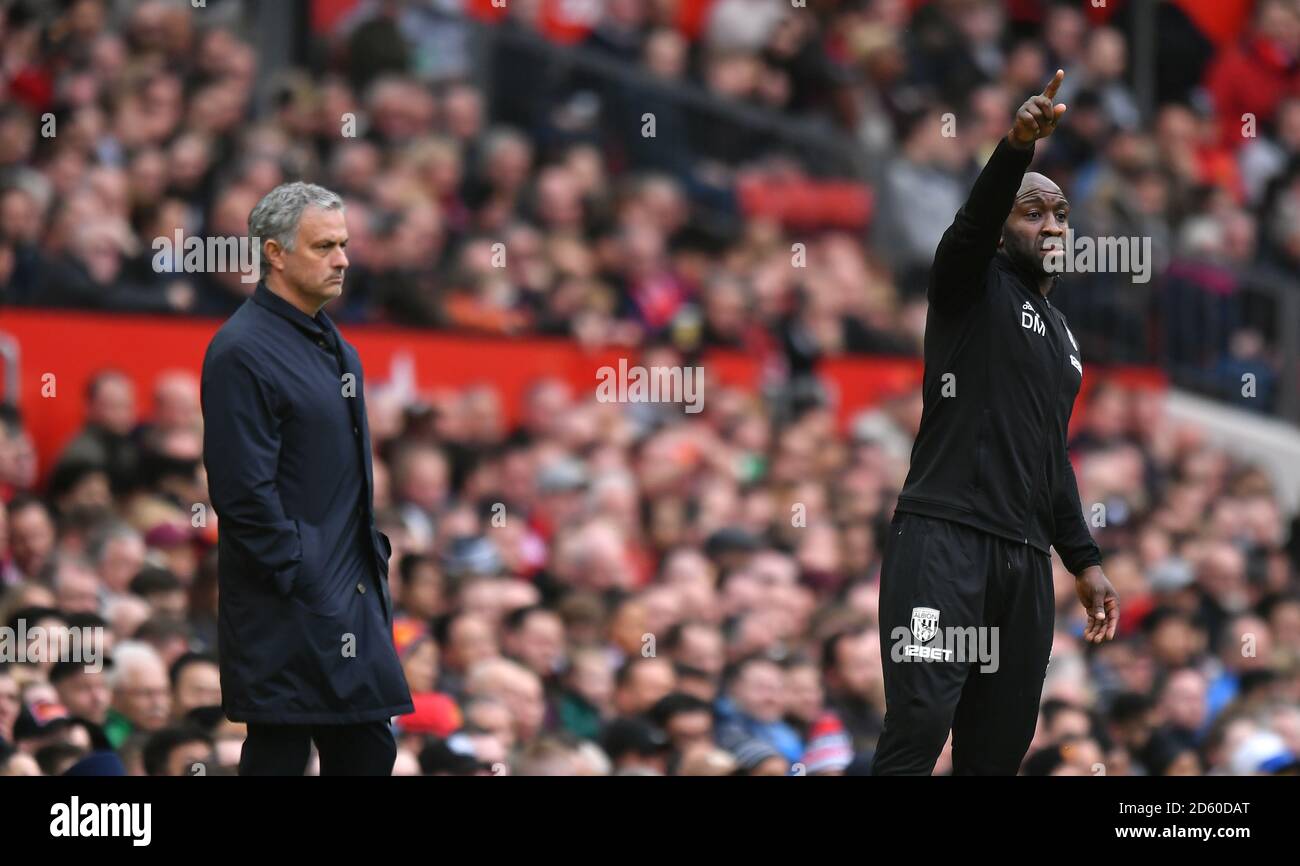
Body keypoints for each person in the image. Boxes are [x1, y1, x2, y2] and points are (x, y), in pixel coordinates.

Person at [872, 71, 1120, 776]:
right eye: (1032, 213)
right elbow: (970, 227)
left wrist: (1085, 559)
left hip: (1023, 561)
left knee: (997, 753)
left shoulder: (1066, 339)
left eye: (1061, 215)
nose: (1051, 226)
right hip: (944, 536)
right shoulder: (969, 286)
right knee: (920, 720)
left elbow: (1050, 456)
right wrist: (1015, 150)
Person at [201, 181, 412, 775]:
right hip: (290, 599)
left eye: (343, 244)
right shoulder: (241, 350)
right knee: (280, 751)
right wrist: (301, 572)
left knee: (366, 748)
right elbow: (242, 491)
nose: (343, 259)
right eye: (324, 246)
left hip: (349, 594)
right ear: (274, 253)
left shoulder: (335, 345)